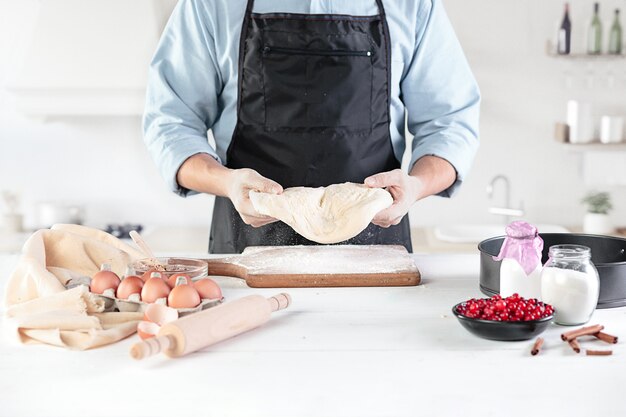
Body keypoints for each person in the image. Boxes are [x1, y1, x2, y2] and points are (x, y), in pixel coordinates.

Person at [143, 0, 480, 254]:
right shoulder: (211, 5)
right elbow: (171, 123)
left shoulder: (411, 5)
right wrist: (227, 182)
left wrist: (417, 185)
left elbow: (450, 123)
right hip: (249, 255)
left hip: (374, 255)